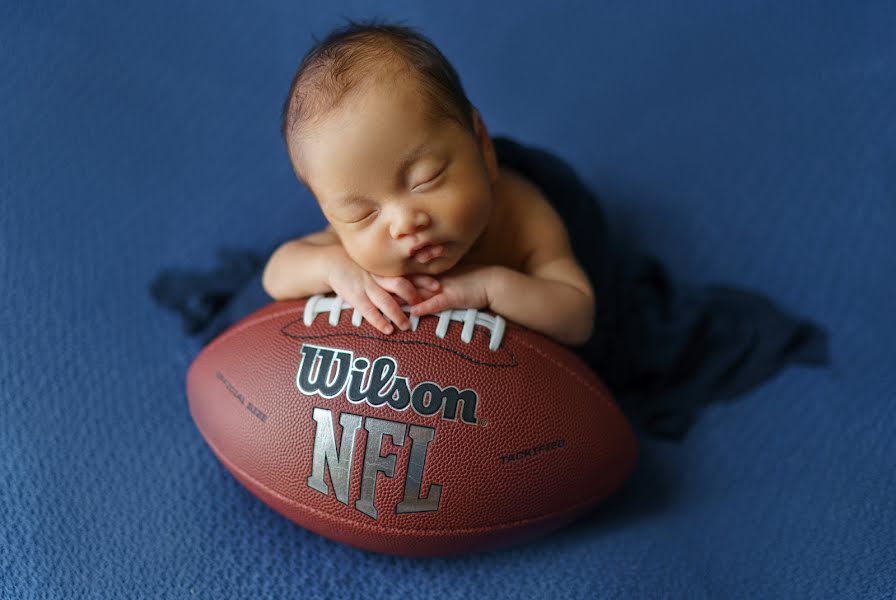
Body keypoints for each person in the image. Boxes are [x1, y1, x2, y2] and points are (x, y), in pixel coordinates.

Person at [151, 19, 830, 440]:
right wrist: (336, 271)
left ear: (478, 139)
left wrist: (491, 287)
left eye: (424, 179)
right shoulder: (358, 251)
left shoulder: (523, 213)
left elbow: (579, 314)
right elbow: (277, 272)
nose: (404, 221)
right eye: (359, 212)